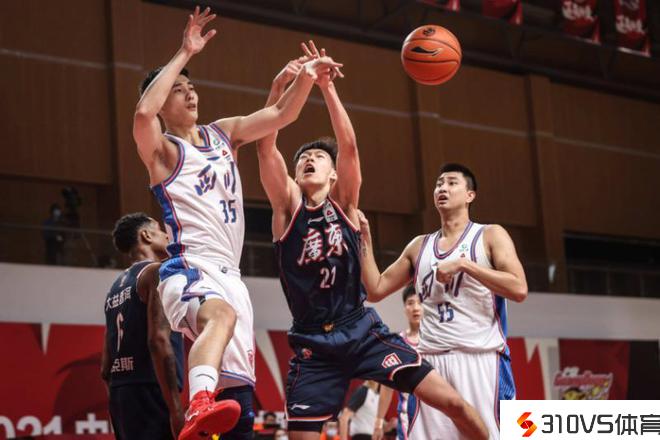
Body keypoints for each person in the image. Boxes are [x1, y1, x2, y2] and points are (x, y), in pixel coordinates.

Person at [256, 42, 487, 440]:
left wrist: (327, 86)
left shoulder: (345, 205)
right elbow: (265, 147)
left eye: (318, 157)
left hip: (360, 329)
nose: (309, 159)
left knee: (453, 403)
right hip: (312, 341)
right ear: (294, 175)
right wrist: (278, 90)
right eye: (303, 159)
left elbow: (348, 147)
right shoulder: (286, 210)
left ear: (333, 175)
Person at [132, 6, 341, 439]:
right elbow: (142, 115)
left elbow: (281, 116)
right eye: (178, 90)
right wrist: (185, 52)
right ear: (163, 100)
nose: (190, 94)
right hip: (191, 266)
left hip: (232, 275)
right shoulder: (163, 152)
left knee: (240, 408)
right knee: (219, 316)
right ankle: (198, 403)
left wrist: (307, 77)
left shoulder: (222, 133)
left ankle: (209, 410)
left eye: (192, 87)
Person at [358, 163, 529, 439]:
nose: (442, 188)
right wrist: (364, 239)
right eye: (439, 184)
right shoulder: (419, 246)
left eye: (451, 183)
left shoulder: (489, 235)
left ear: (470, 195)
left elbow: (519, 288)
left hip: (480, 360)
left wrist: (465, 264)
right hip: (431, 364)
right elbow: (375, 289)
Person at [101, 213, 185, 439]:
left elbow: (105, 368)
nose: (167, 235)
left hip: (121, 397)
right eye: (160, 230)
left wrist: (118, 405)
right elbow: (158, 340)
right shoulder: (157, 272)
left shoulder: (114, 288)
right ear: (146, 235)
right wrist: (176, 408)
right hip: (152, 392)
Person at [372, 286, 422, 440]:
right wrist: (379, 422)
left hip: (436, 415)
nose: (416, 308)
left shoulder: (438, 339)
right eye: (410, 303)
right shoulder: (398, 342)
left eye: (420, 302)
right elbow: (387, 387)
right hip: (408, 416)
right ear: (404, 308)